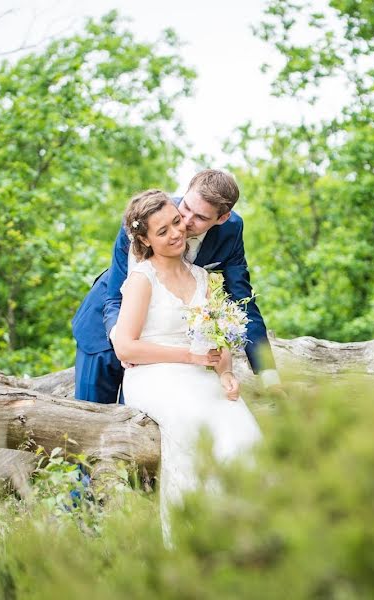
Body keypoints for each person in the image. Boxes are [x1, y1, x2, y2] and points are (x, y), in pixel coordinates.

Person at [112, 189, 262, 543]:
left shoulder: (202, 278)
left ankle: (246, 533)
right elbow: (124, 345)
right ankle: (195, 538)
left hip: (196, 374)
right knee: (197, 427)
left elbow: (215, 344)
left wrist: (225, 373)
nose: (176, 233)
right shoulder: (142, 278)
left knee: (244, 431)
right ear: (145, 239)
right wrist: (189, 358)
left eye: (177, 222)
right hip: (152, 376)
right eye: (162, 231)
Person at [71, 169, 278, 404]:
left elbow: (243, 302)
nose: (186, 223)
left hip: (164, 346)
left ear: (222, 218)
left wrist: (269, 376)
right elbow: (115, 297)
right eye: (186, 208)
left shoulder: (231, 230)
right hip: (105, 328)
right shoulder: (143, 219)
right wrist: (122, 343)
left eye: (200, 217)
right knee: (91, 416)